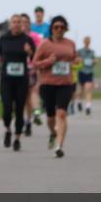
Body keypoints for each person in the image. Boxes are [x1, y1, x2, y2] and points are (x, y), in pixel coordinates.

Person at [32, 15, 78, 158]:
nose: (59, 29)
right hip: (48, 84)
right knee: (51, 117)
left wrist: (76, 62)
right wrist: (48, 61)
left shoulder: (70, 44)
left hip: (65, 84)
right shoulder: (44, 44)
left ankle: (59, 146)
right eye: (56, 27)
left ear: (66, 29)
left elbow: (74, 59)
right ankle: (53, 132)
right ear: (51, 28)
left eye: (62, 27)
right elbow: (34, 63)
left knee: (62, 113)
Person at [0, 14, 36, 151]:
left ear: (22, 25)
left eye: (19, 22)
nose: (17, 24)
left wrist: (29, 52)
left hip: (21, 80)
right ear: (10, 24)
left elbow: (34, 57)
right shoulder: (3, 38)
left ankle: (17, 138)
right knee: (7, 108)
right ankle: (7, 130)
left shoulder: (27, 39)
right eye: (14, 22)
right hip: (6, 79)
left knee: (19, 109)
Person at [20, 12, 43, 135]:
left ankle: (33, 115)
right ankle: (27, 121)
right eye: (21, 22)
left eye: (26, 22)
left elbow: (40, 51)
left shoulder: (34, 37)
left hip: (31, 68)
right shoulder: (15, 37)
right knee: (23, 99)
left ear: (29, 24)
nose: (24, 25)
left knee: (31, 93)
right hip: (19, 70)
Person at [76, 36, 96, 115]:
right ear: (84, 42)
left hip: (89, 72)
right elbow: (76, 59)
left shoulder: (92, 52)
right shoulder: (80, 51)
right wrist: (79, 60)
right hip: (82, 71)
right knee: (80, 89)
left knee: (88, 88)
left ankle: (88, 106)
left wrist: (95, 61)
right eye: (86, 41)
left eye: (88, 41)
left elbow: (94, 60)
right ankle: (79, 102)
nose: (87, 42)